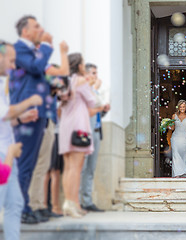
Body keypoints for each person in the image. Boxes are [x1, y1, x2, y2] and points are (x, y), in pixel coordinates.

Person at [9, 15, 53, 224]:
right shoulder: (19, 49)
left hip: (38, 114)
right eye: (36, 26)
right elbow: (35, 69)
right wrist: (46, 47)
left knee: (31, 163)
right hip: (26, 114)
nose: (41, 29)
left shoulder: (32, 53)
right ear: (25, 31)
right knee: (25, 163)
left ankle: (25, 205)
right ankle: (21, 208)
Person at [0, 41, 42, 240]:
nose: (13, 65)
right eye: (11, 60)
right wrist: (30, 101)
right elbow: (6, 112)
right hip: (3, 155)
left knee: (15, 204)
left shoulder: (2, 84)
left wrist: (21, 119)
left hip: (9, 152)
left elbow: (4, 118)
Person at [59, 53, 106, 218]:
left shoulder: (65, 81)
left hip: (65, 127)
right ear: (79, 66)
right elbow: (94, 103)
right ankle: (72, 204)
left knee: (68, 168)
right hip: (79, 128)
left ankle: (69, 203)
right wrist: (96, 88)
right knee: (76, 168)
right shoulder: (82, 81)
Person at [28, 41, 69, 221]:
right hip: (38, 120)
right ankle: (33, 205)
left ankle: (39, 205)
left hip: (49, 120)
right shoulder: (35, 74)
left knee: (43, 167)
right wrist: (63, 53)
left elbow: (61, 83)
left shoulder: (46, 79)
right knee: (38, 167)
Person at [79, 63, 110, 212]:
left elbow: (96, 112)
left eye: (96, 73)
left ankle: (87, 200)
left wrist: (103, 111)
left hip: (96, 131)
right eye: (93, 73)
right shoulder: (84, 90)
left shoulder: (94, 92)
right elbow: (86, 111)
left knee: (91, 168)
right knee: (81, 168)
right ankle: (77, 201)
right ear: (85, 75)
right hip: (84, 133)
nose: (95, 77)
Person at [169, 100, 186, 177]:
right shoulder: (174, 116)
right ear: (178, 107)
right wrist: (168, 126)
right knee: (175, 155)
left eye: (183, 107)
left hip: (184, 138)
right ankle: (177, 174)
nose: (182, 108)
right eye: (180, 107)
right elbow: (172, 128)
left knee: (183, 156)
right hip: (175, 138)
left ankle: (183, 174)